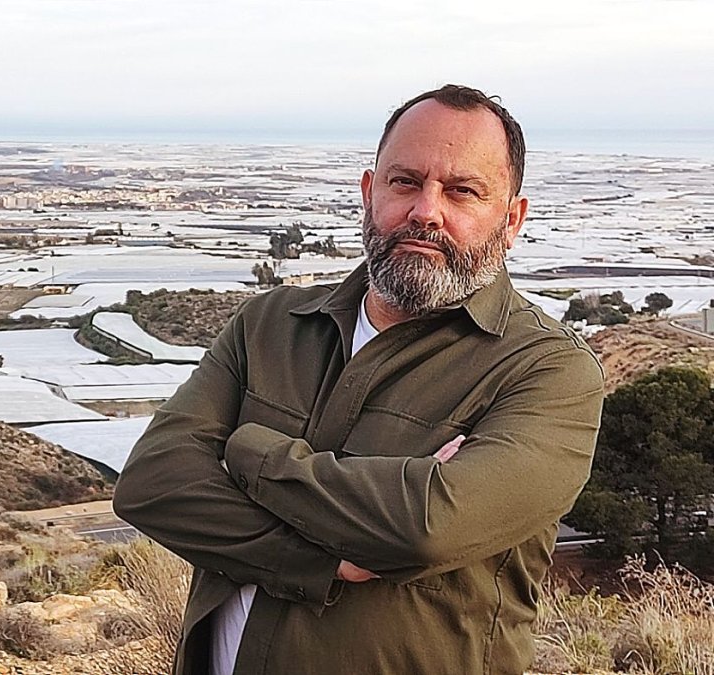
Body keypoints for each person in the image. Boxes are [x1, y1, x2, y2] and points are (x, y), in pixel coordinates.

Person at [111, 84, 605, 675]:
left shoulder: (548, 372)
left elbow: (425, 528)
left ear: (512, 218)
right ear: (371, 193)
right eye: (405, 182)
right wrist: (319, 556)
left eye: (462, 191)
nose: (426, 210)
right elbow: (150, 483)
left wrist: (244, 453)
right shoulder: (269, 324)